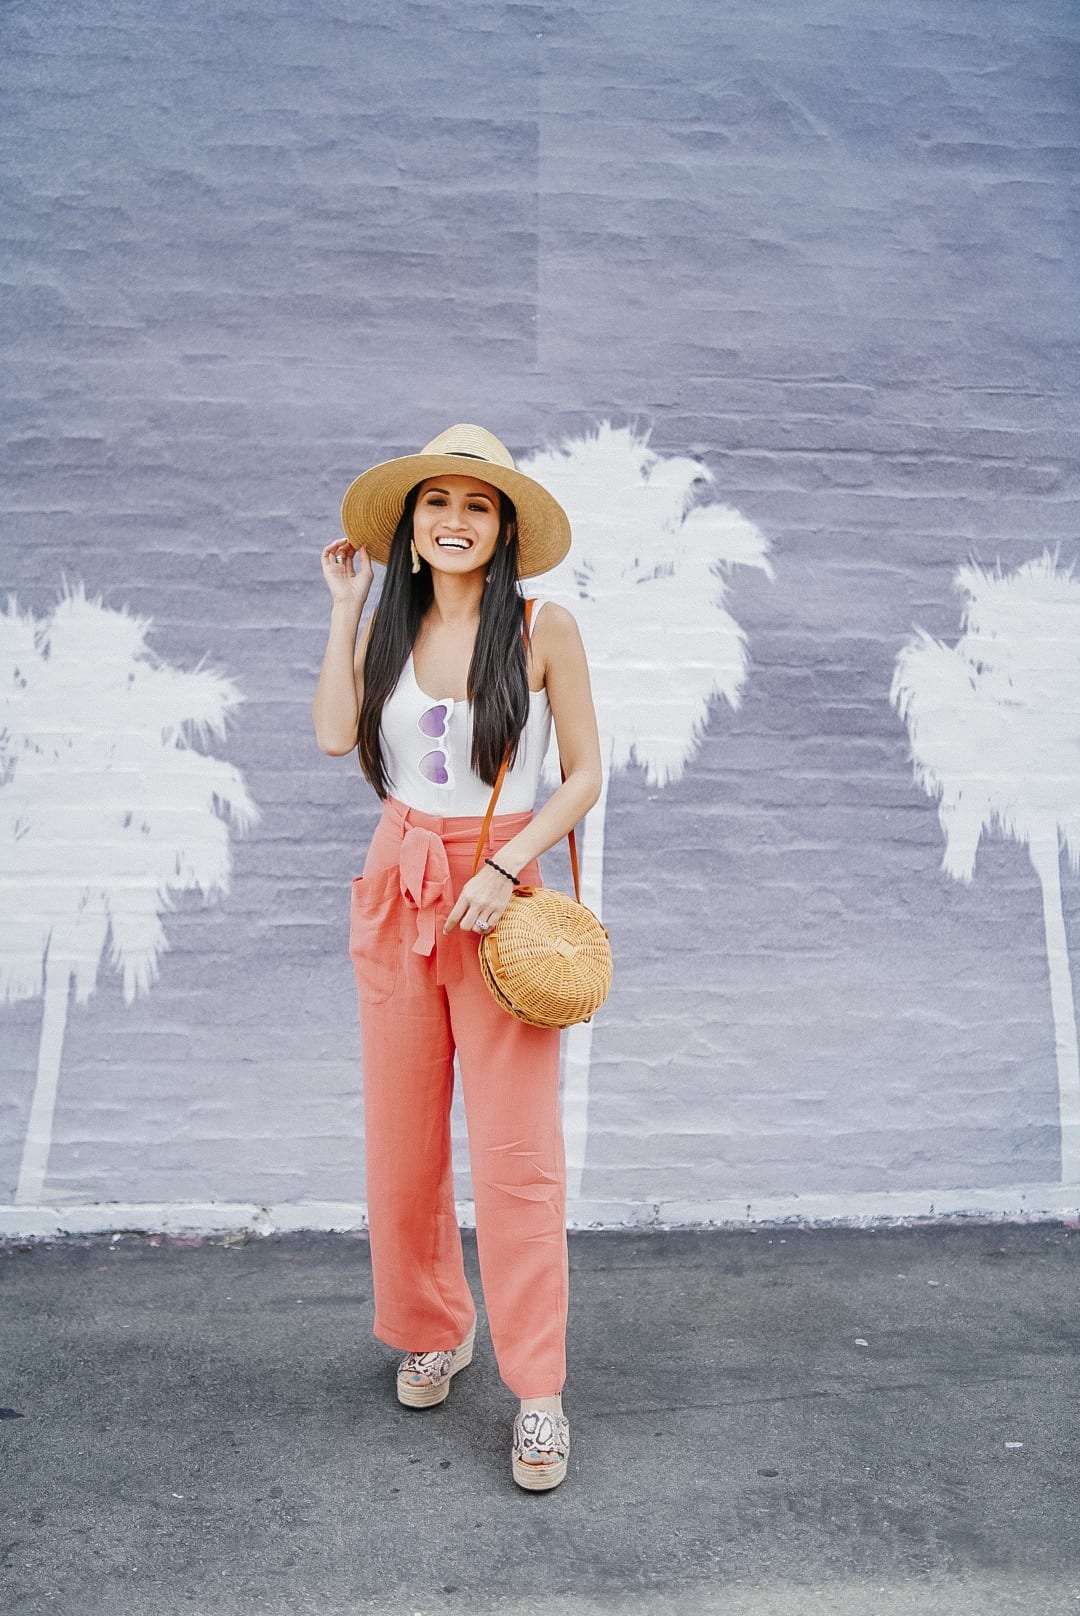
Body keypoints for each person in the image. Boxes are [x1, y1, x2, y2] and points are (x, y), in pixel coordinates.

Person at [312, 423, 602, 1491]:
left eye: (477, 505)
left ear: (505, 525)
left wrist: (509, 861)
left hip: (497, 895)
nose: (454, 521)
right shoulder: (386, 627)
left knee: (517, 1153)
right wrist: (344, 609)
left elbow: (583, 771)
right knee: (403, 1140)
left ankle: (539, 1390)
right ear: (411, 523)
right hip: (398, 888)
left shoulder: (540, 627)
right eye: (436, 503)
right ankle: (437, 1324)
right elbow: (337, 736)